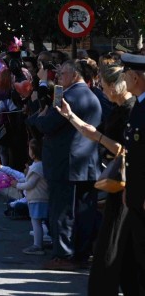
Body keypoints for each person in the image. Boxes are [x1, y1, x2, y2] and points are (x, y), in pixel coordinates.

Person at [59, 59, 144, 290]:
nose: (101, 89)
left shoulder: (131, 109)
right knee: (124, 248)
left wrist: (98, 137)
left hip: (127, 184)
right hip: (120, 185)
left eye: (104, 85)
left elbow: (121, 149)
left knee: (113, 243)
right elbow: (95, 133)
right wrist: (70, 117)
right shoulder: (119, 108)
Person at [27, 60, 102, 271]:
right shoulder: (91, 95)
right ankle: (81, 253)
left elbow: (48, 124)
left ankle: (64, 255)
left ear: (75, 75)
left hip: (66, 164)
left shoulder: (68, 96)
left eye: (62, 73)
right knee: (83, 211)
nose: (58, 77)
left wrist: (37, 119)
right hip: (85, 164)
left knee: (63, 211)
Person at [11, 139, 49, 255]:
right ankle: (44, 240)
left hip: (37, 198)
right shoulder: (40, 165)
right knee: (44, 222)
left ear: (34, 152)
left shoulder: (37, 167)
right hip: (41, 198)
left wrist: (16, 185)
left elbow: (30, 184)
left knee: (36, 222)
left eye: (29, 149)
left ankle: (37, 245)